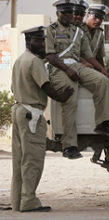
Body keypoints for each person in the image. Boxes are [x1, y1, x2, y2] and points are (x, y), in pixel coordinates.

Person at [46, 0, 109, 159]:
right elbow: (50, 56)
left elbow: (88, 55)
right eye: (63, 13)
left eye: (69, 13)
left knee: (102, 81)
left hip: (77, 66)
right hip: (59, 67)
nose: (67, 15)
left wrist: (100, 69)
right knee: (70, 99)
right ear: (57, 13)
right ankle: (69, 146)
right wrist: (67, 70)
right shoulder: (50, 30)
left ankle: (103, 124)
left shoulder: (78, 32)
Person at [11, 26, 74, 212]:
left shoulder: (20, 60)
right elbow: (46, 86)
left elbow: (14, 89)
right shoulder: (35, 62)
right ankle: (29, 201)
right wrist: (63, 96)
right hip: (32, 113)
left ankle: (18, 201)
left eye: (43, 40)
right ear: (28, 41)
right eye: (38, 41)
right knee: (33, 159)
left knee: (19, 160)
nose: (42, 44)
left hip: (19, 110)